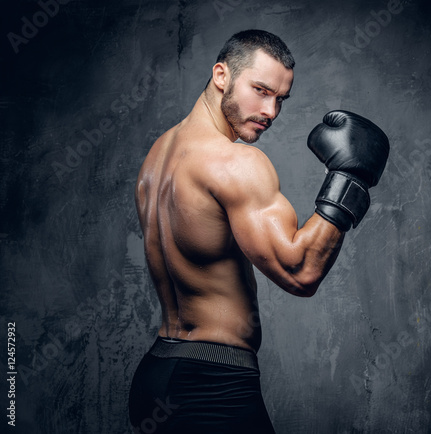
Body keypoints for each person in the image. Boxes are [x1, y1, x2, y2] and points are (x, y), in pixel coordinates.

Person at [128, 29, 389, 434]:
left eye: (280, 99)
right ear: (221, 75)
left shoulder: (158, 155)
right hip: (211, 385)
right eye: (261, 90)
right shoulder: (236, 162)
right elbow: (300, 272)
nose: (271, 111)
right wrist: (349, 178)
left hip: (156, 374)